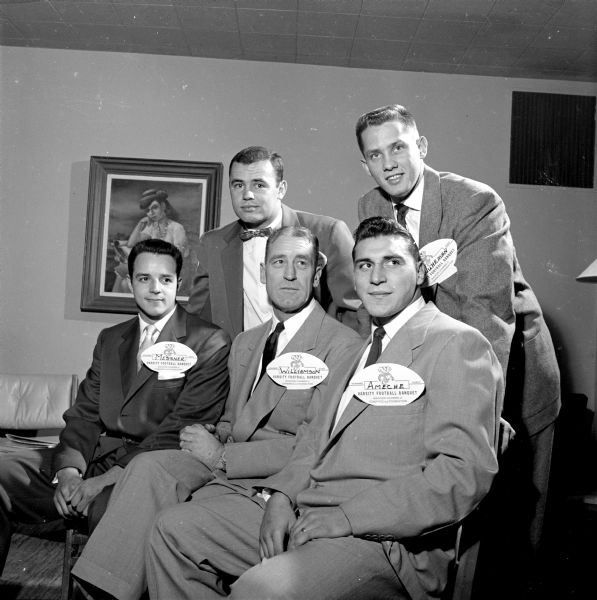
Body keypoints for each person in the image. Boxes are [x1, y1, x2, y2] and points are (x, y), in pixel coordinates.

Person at [146, 217, 503, 600]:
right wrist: (282, 498)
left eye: (392, 262)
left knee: (261, 590)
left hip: (382, 540)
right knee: (173, 533)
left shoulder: (456, 343)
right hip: (307, 514)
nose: (377, 277)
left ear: (420, 272)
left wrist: (346, 518)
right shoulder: (354, 351)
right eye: (365, 265)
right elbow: (313, 441)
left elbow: (463, 474)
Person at [70, 227, 363, 600]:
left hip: (270, 476)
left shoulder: (343, 346)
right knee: (148, 466)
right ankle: (100, 588)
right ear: (262, 272)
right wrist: (214, 433)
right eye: (278, 262)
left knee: (170, 525)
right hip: (223, 463)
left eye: (301, 263)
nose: (289, 274)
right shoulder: (248, 341)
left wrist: (222, 454)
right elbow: (231, 420)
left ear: (316, 274)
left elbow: (316, 444)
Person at [355, 104, 561, 594]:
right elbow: (385, 299)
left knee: (509, 542)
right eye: (375, 154)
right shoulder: (371, 206)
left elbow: (485, 313)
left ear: (421, 148)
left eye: (398, 147)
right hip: (438, 361)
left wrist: (475, 408)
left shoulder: (473, 202)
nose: (389, 163)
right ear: (365, 164)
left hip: (509, 373)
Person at [0, 239, 230, 573]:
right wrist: (68, 472)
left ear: (178, 284)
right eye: (143, 279)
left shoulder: (209, 341)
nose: (154, 289)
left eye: (165, 280)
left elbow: (181, 429)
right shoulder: (112, 338)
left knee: (109, 518)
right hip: (93, 458)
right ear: (129, 282)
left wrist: (103, 481)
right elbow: (85, 414)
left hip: (148, 470)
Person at [187, 146, 362, 338]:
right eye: (238, 185)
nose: (247, 195)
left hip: (313, 362)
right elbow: (197, 320)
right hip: (242, 363)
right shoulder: (213, 243)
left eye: (258, 185)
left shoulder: (328, 232)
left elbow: (355, 311)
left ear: (281, 189)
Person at [110, 189, 189, 294]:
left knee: (125, 276)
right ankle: (113, 299)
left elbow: (179, 255)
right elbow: (131, 243)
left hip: (168, 269)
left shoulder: (177, 228)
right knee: (123, 275)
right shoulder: (152, 228)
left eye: (154, 207)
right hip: (152, 266)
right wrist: (140, 224)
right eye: (147, 210)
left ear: (164, 206)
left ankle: (113, 299)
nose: (151, 213)